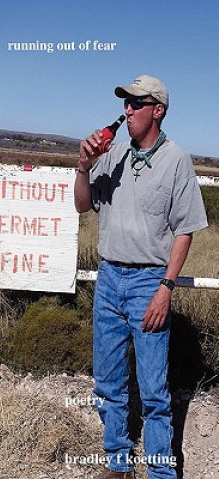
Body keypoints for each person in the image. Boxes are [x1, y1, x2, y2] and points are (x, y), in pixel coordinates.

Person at [74, 75, 208, 479]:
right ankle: (117, 464)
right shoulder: (111, 155)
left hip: (149, 282)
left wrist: (165, 288)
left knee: (152, 391)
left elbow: (184, 230)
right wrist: (82, 167)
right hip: (109, 279)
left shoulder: (177, 161)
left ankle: (160, 472)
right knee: (109, 383)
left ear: (158, 110)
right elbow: (83, 205)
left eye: (137, 103)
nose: (127, 110)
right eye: (125, 103)